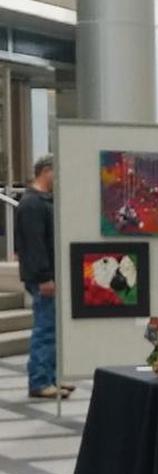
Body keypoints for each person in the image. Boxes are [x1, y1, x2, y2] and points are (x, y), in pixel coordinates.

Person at [14, 155, 71, 399]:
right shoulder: (32, 204)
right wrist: (44, 277)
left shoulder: (44, 202)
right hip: (43, 278)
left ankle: (51, 376)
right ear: (46, 171)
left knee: (53, 329)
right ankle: (39, 380)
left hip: (49, 275)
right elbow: (34, 245)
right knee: (45, 329)